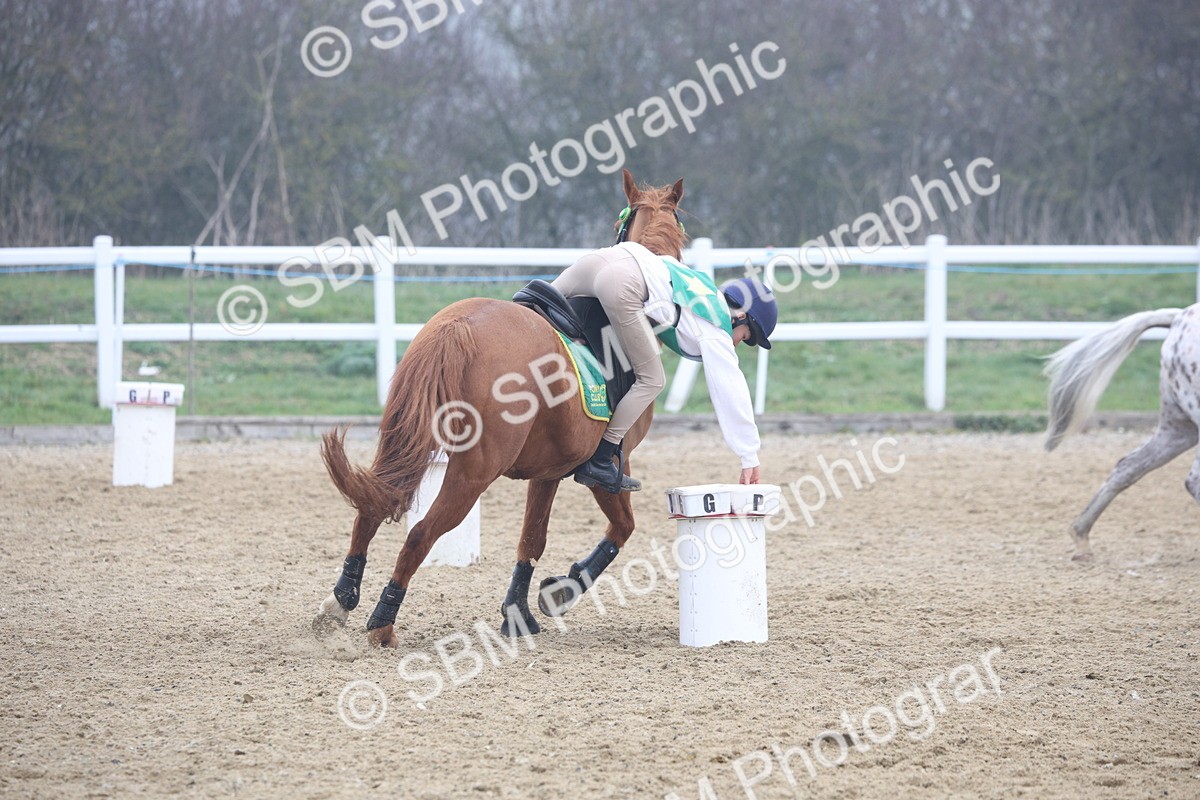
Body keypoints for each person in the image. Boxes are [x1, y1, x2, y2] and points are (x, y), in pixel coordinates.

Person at [552, 239, 777, 493]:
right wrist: (749, 455)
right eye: (745, 337)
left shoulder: (701, 283)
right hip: (622, 282)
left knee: (529, 311)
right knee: (652, 380)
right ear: (741, 316)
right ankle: (601, 460)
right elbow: (731, 391)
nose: (737, 343)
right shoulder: (717, 328)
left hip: (604, 259)